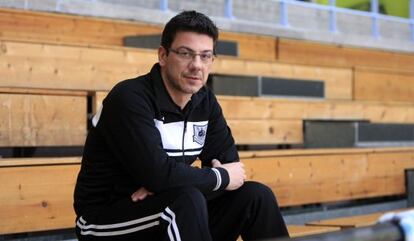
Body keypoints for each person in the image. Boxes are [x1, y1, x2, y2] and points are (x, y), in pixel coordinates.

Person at [73, 10, 289, 241]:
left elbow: (231, 168)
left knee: (255, 195)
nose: (197, 65)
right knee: (183, 201)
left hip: (170, 208)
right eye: (186, 53)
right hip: (105, 221)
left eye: (205, 56)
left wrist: (169, 181)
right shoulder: (129, 98)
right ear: (163, 55)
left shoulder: (205, 101)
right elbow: (164, 175)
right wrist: (176, 180)